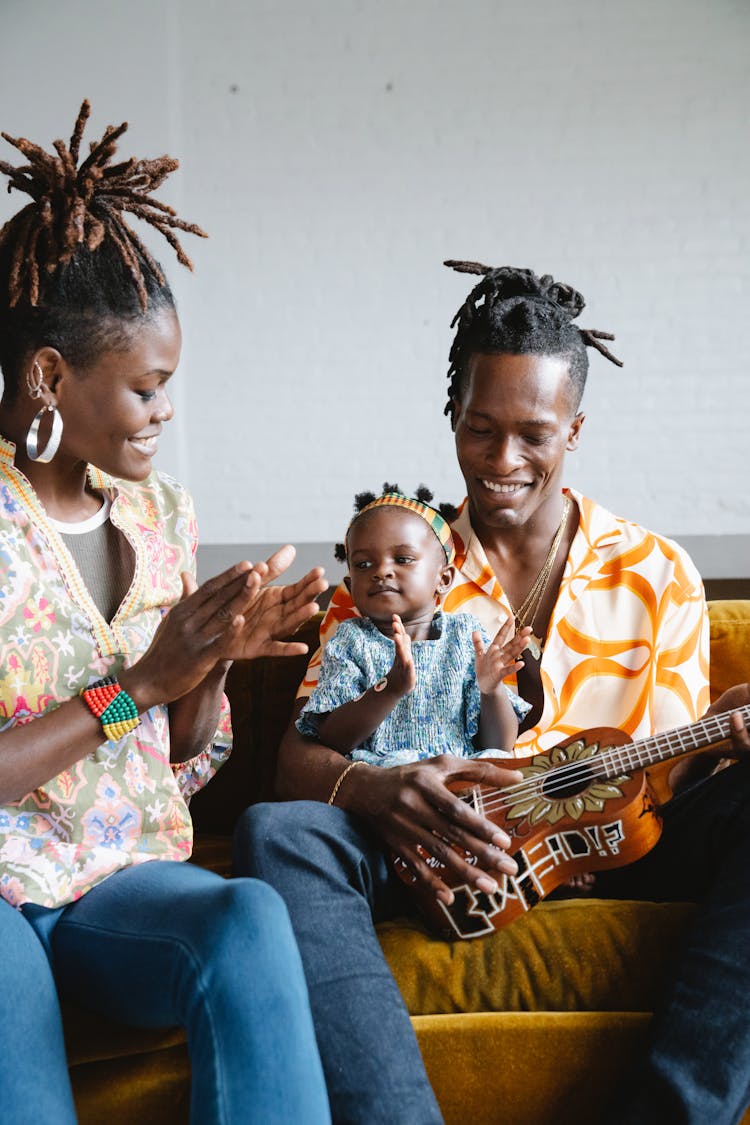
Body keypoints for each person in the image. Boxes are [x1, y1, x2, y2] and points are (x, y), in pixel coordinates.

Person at [234, 259, 750, 1125]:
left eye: (533, 434)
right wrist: (375, 788)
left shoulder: (658, 571)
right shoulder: (393, 564)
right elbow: (298, 755)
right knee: (278, 831)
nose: (503, 460)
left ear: (575, 429)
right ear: (453, 420)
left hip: (620, 842)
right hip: (432, 850)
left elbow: (676, 788)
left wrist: (717, 740)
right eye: (479, 430)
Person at [0, 102, 331, 1124]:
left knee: (248, 917)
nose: (167, 410)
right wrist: (133, 684)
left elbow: (181, 752)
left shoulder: (159, 514)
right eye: (148, 386)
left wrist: (215, 657)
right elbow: (124, 705)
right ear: (51, 375)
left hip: (118, 885)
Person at [298, 485, 531, 783]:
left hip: (457, 783)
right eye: (363, 564)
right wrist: (389, 688)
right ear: (350, 582)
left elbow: (499, 745)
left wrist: (491, 690)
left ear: (443, 579)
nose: (382, 571)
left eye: (403, 559)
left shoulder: (465, 636)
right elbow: (333, 739)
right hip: (384, 786)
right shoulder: (350, 640)